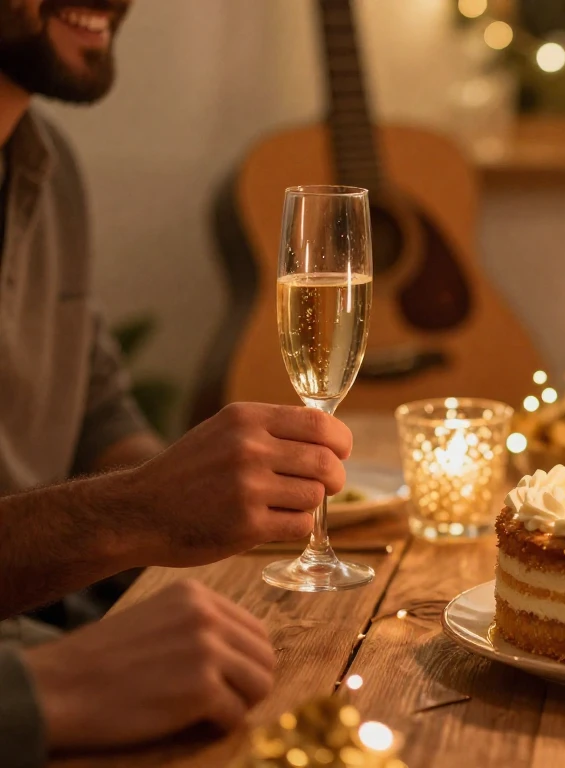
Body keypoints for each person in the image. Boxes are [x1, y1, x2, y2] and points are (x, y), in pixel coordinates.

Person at [0, 0, 353, 763]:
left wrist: (217, 496)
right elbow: (131, 497)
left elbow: (98, 410)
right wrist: (45, 689)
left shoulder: (48, 168)